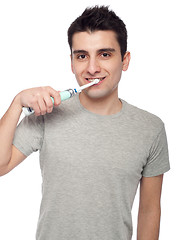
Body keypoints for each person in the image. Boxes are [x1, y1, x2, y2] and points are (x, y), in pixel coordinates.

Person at [0, 5, 170, 240]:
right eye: (82, 56)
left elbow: (150, 210)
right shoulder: (48, 113)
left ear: (125, 60)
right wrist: (17, 103)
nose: (92, 68)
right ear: (71, 62)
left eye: (105, 54)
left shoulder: (151, 128)